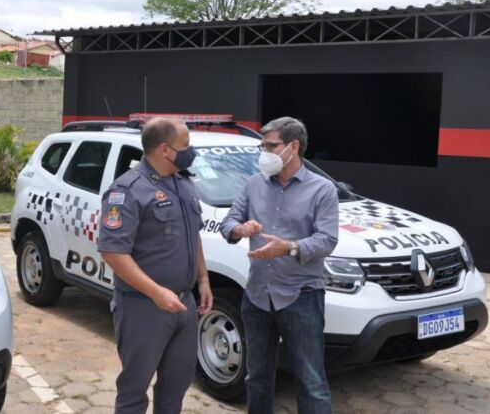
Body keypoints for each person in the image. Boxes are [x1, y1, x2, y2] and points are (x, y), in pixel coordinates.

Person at [219, 116, 338, 414]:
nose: (265, 152)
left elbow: (327, 241)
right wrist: (239, 229)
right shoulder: (253, 183)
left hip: (302, 296)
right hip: (258, 295)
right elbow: (228, 222)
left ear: (293, 146)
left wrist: (290, 248)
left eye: (271, 146)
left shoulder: (322, 189)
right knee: (257, 377)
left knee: (310, 381)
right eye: (263, 146)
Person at [98, 117, 213, 414]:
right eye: (185, 145)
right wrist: (156, 293)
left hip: (183, 304)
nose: (190, 151)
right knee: (134, 390)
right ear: (164, 149)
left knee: (175, 386)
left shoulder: (182, 183)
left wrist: (203, 280)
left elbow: (193, 234)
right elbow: (113, 252)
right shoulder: (127, 190)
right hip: (143, 308)